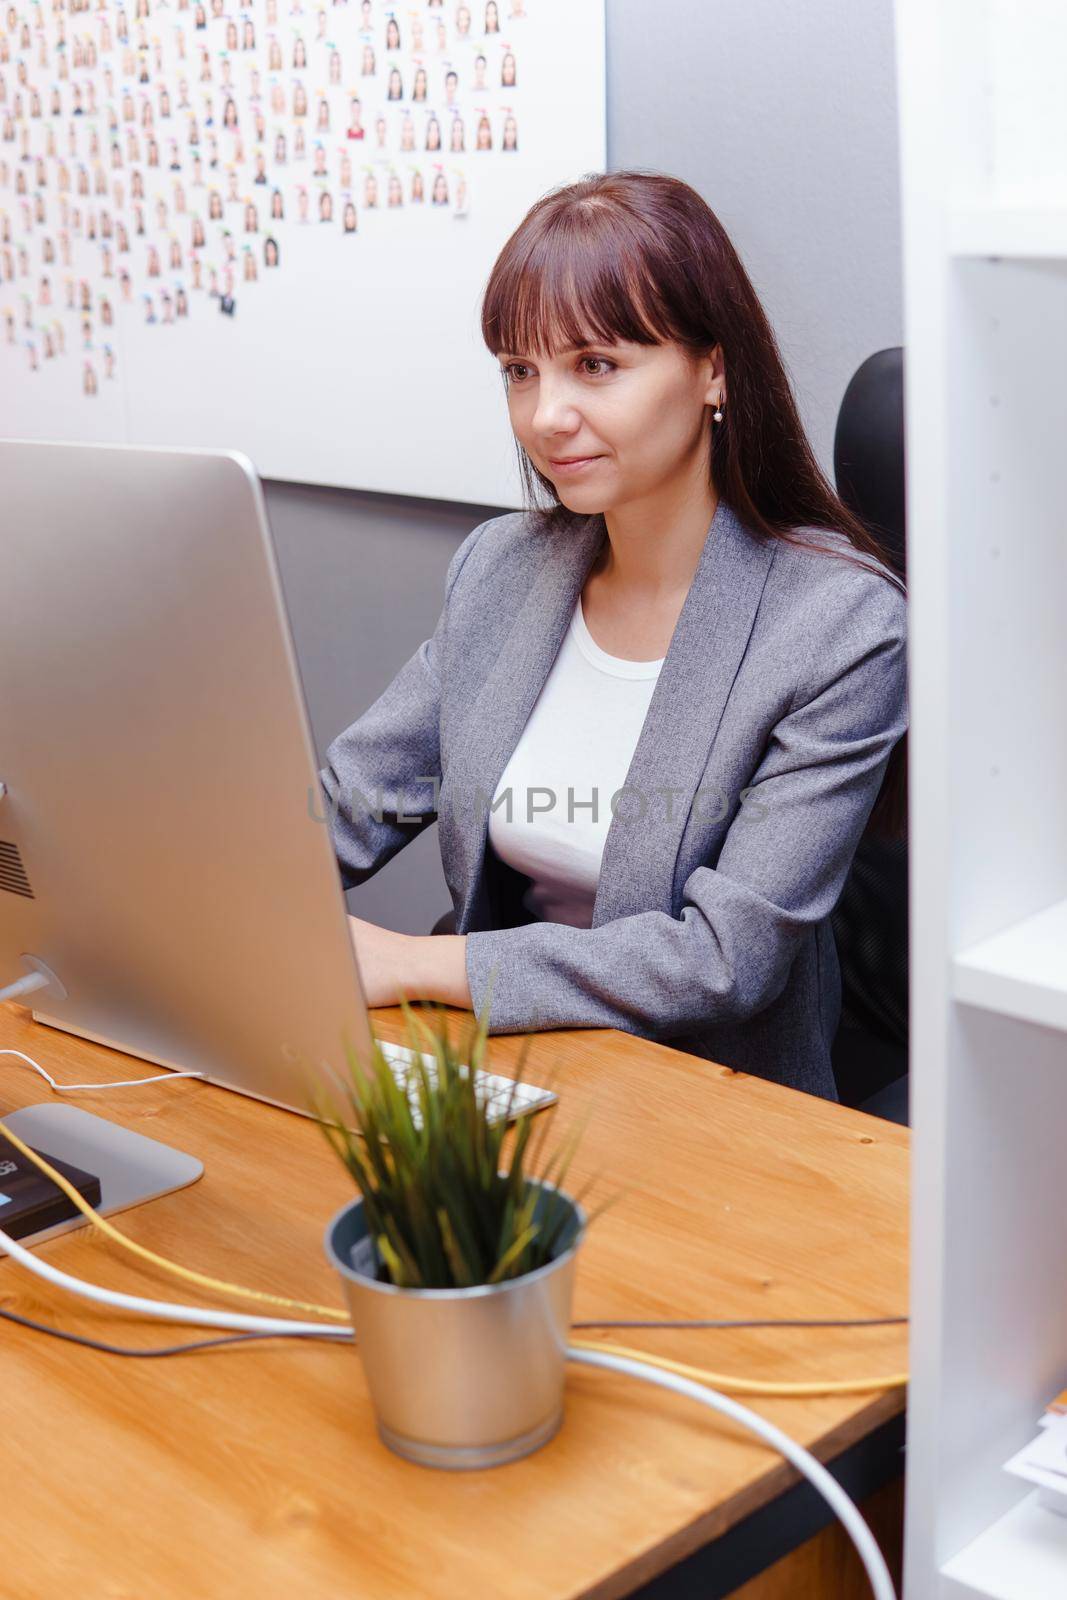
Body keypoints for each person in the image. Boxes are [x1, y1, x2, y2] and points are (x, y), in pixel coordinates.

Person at [318, 171, 908, 1101]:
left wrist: (411, 966)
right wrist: (201, 887)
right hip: (506, 1070)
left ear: (712, 369)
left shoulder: (837, 622)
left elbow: (724, 960)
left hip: (710, 1102)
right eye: (521, 370)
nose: (545, 416)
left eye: (595, 365)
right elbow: (353, 801)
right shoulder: (500, 570)